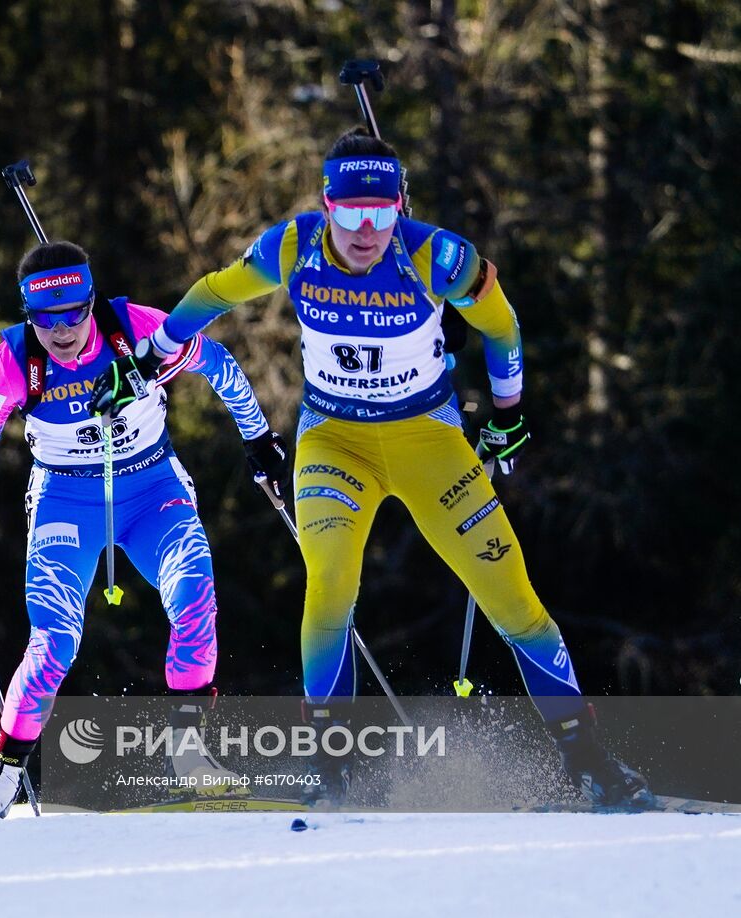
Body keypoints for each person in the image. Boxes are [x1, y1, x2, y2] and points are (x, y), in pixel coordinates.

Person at [88, 129, 653, 809]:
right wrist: (156, 353)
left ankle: (590, 762)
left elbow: (502, 328)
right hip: (335, 443)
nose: (365, 231)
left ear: (399, 208)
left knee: (515, 601)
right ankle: (333, 773)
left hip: (428, 442)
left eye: (381, 214)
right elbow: (214, 291)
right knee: (328, 583)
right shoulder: (293, 247)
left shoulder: (435, 257)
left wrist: (508, 411)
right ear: (327, 206)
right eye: (351, 214)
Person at [0, 240, 289, 818]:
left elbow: (221, 366)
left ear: (90, 301)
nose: (60, 331)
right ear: (29, 315)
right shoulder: (14, 360)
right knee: (53, 641)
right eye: (44, 318)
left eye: (73, 313)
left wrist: (259, 439)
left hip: (151, 488)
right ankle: (2, 776)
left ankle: (189, 750)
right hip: (64, 499)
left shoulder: (137, 330)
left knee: (194, 597)